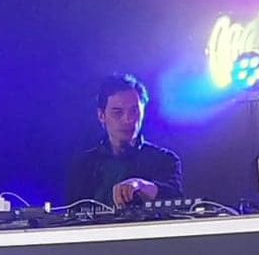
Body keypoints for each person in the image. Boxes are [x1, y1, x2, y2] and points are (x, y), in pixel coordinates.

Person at [69, 74, 183, 208]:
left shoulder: (165, 160)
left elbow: (176, 200)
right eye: (118, 112)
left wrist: (141, 185)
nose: (128, 120)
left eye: (134, 111)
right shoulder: (83, 165)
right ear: (101, 115)